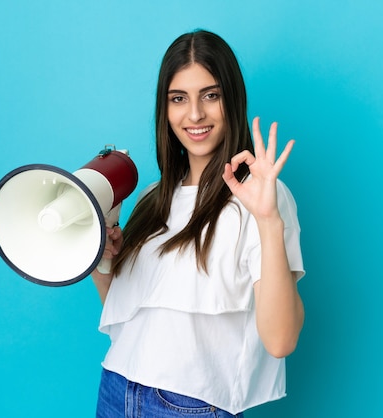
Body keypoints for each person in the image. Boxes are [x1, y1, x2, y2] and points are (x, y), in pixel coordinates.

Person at [91, 29, 305, 417]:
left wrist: (269, 221)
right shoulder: (153, 197)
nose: (194, 114)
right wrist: (102, 261)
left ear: (232, 100)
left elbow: (281, 339)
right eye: (178, 99)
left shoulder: (261, 198)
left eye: (211, 95)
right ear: (165, 108)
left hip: (188, 405)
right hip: (115, 387)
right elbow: (129, 317)